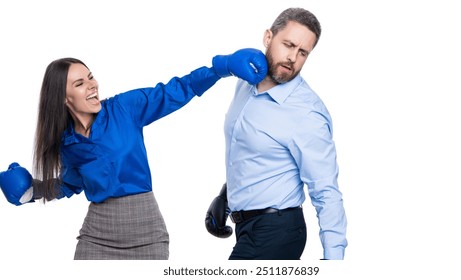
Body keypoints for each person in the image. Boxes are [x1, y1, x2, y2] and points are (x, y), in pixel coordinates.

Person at [0, 48, 267, 260]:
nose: (92, 86)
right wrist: (34, 191)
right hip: (96, 234)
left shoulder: (124, 108)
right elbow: (71, 184)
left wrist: (220, 68)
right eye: (80, 83)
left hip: (145, 232)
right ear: (63, 98)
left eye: (91, 77)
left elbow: (177, 90)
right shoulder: (67, 142)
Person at [205, 7, 347, 260]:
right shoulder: (245, 83)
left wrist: (334, 260)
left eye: (302, 52)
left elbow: (326, 190)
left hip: (277, 231)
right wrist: (226, 196)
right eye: (288, 44)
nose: (293, 57)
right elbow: (254, 151)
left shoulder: (306, 112)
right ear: (268, 38)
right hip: (246, 227)